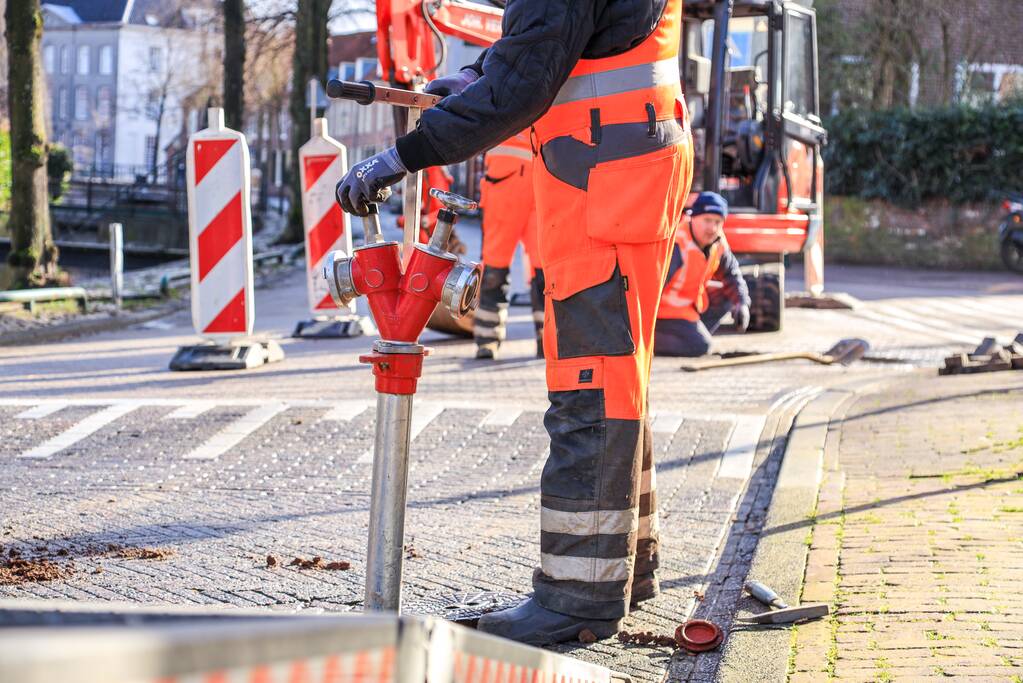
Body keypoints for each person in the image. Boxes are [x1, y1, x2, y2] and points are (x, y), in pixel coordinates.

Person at [335, 0, 694, 645]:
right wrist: (477, 77)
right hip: (624, 168)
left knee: (591, 383)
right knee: (618, 374)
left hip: (602, 180)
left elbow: (526, 79)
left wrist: (398, 159)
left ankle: (577, 596)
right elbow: (554, 46)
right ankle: (624, 570)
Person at [474, 131, 544, 360]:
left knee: (545, 269)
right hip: (505, 186)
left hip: (539, 185)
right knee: (494, 266)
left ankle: (549, 339)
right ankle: (487, 340)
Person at [656, 192, 751, 356]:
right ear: (693, 217)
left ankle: (691, 335)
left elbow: (732, 275)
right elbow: (651, 290)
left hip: (689, 307)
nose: (712, 228)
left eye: (717, 222)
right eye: (707, 220)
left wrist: (742, 303)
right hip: (664, 314)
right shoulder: (677, 243)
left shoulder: (718, 242)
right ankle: (651, 343)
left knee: (728, 296)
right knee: (700, 347)